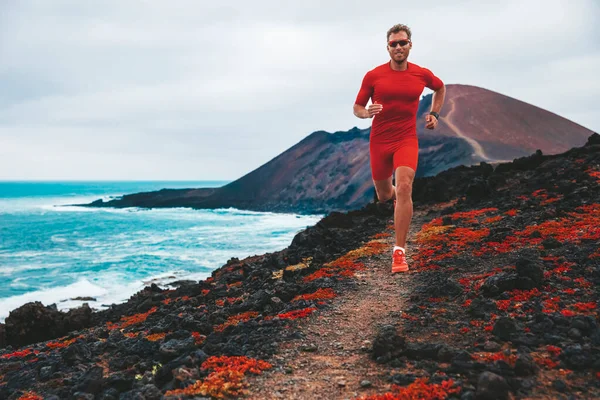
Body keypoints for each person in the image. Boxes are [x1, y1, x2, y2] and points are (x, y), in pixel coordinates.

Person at [353, 23, 445, 273]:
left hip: (406, 139)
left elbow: (439, 87)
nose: (398, 47)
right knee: (385, 195)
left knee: (405, 186)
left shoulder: (420, 74)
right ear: (388, 48)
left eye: (402, 42)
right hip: (380, 141)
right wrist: (366, 113)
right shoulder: (374, 76)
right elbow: (357, 107)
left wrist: (435, 113)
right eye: (393, 44)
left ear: (410, 45)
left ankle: (399, 253)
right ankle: (397, 198)